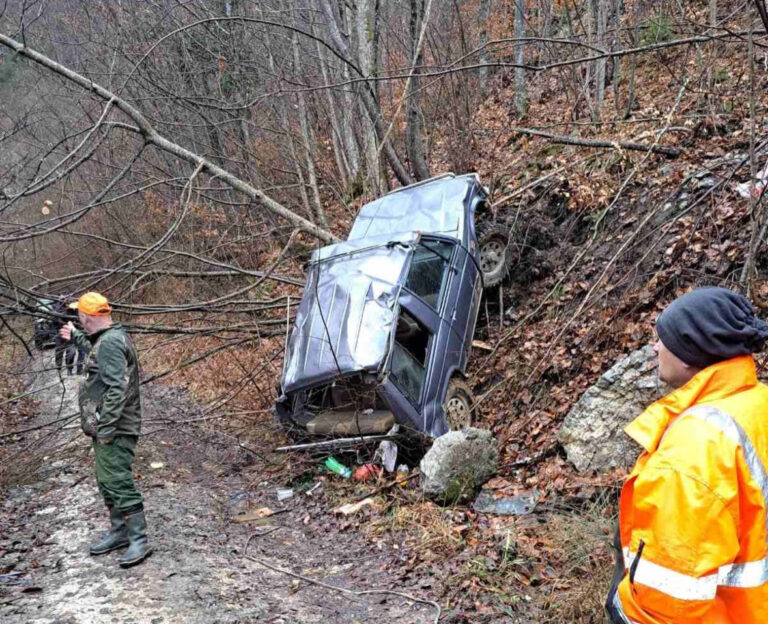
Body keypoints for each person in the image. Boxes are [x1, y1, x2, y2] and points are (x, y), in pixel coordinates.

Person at [606, 287, 768, 624]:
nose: (655, 347)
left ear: (689, 353)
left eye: (662, 338)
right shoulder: (757, 401)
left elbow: (668, 604)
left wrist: (619, 609)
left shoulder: (691, 451)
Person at [59, 291, 152, 567]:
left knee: (118, 481)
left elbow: (116, 389)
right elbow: (98, 354)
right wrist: (76, 337)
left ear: (86, 317)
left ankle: (139, 539)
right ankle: (120, 531)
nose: (78, 317)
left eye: (79, 315)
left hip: (116, 427)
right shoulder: (109, 337)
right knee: (106, 480)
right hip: (107, 426)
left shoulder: (110, 343)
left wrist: (107, 427)